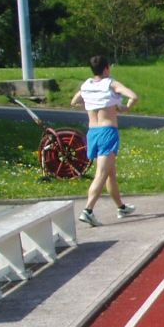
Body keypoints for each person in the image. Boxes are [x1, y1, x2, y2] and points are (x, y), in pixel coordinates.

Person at [70, 55, 137, 226]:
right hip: (107, 132)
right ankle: (88, 210)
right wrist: (125, 108)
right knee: (101, 173)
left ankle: (121, 207)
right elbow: (133, 96)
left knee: (110, 173)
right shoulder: (111, 84)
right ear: (107, 68)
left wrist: (90, 104)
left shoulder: (87, 85)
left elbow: (74, 102)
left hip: (92, 132)